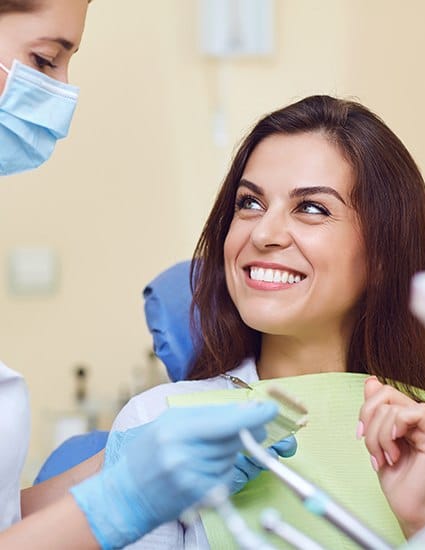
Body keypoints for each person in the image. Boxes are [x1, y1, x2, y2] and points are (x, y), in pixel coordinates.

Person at [111, 94, 425, 548]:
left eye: (312, 208)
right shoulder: (160, 424)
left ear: (380, 255)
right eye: (249, 203)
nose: (263, 233)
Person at [0, 1, 294, 548]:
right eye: (43, 60)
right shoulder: (159, 409)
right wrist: (125, 498)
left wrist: (115, 468)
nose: (267, 234)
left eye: (314, 209)